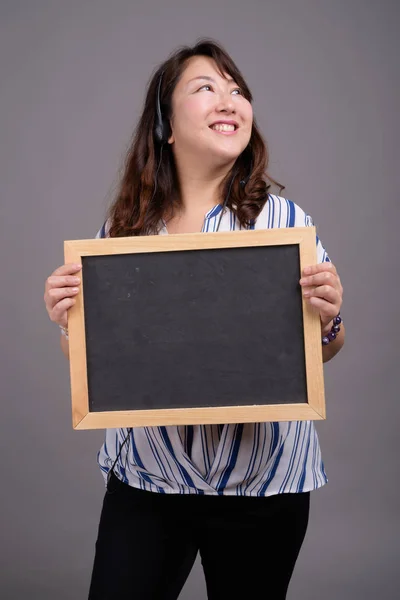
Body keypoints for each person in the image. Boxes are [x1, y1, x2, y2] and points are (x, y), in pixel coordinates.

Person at [44, 39, 344, 600]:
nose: (229, 100)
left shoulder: (283, 222)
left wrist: (327, 320)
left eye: (237, 90)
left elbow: (322, 347)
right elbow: (103, 361)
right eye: (206, 87)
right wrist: (69, 320)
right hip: (148, 477)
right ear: (167, 127)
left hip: (262, 485)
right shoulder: (125, 227)